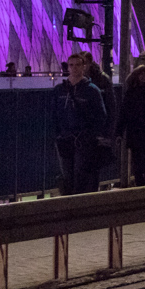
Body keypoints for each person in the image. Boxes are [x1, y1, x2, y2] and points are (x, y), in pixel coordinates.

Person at [53, 52, 108, 194]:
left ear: (84, 67)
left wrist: (90, 135)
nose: (74, 68)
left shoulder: (92, 90)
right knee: (67, 176)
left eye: (77, 65)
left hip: (83, 141)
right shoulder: (59, 90)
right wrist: (57, 134)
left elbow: (101, 116)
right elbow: (53, 114)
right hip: (65, 139)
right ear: (68, 67)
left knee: (80, 175)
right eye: (71, 65)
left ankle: (77, 203)